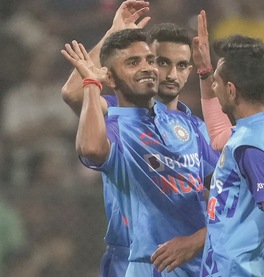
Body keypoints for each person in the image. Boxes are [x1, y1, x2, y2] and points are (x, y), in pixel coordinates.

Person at [61, 28, 218, 276]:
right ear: (111, 78)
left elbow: (232, 189)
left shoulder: (190, 125)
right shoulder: (113, 118)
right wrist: (111, 37)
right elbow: (74, 97)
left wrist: (201, 238)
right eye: (162, 61)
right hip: (136, 255)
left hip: (200, 258)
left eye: (151, 61)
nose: (159, 71)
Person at [200, 35, 264, 277]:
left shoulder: (252, 148)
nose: (213, 87)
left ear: (230, 90)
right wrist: (204, 72)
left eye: (216, 82)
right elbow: (220, 137)